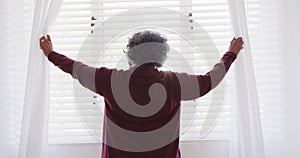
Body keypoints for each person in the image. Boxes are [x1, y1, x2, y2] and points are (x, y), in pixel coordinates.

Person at [40, 30, 244, 158]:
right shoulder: (174, 82)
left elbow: (76, 69)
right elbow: (209, 80)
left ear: (130, 56)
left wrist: (51, 54)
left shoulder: (110, 79)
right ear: (161, 58)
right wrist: (231, 54)